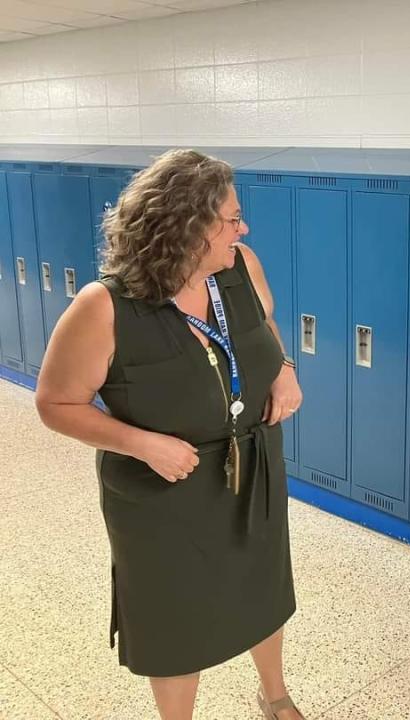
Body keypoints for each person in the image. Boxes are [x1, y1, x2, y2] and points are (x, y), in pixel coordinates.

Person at [35, 149, 305, 720]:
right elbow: (55, 403)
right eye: (231, 218)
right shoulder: (104, 306)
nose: (243, 227)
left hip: (253, 464)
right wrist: (142, 443)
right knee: (175, 613)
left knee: (263, 585)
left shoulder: (240, 267)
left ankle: (274, 694)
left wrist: (283, 368)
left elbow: (267, 325)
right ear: (188, 224)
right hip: (164, 489)